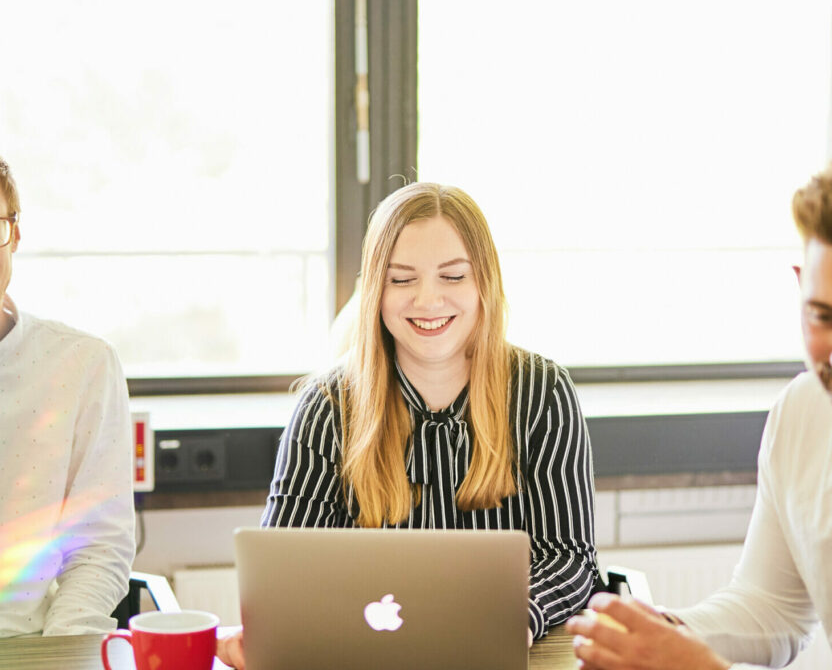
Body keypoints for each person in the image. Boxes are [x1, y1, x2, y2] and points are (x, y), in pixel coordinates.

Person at [218, 182, 600, 669]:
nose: (428, 300)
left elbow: (568, 556)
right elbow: (284, 570)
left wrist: (510, 620)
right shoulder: (327, 405)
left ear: (483, 282)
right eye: (401, 280)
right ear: (376, 291)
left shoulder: (542, 391)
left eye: (452, 276)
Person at [567, 163, 832, 670]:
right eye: (822, 316)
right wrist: (660, 634)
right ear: (800, 286)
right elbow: (772, 607)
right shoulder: (801, 412)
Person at [0, 157, 135, 637]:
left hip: (29, 646)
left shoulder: (83, 365)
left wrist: (62, 653)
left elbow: (98, 548)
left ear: (15, 234)